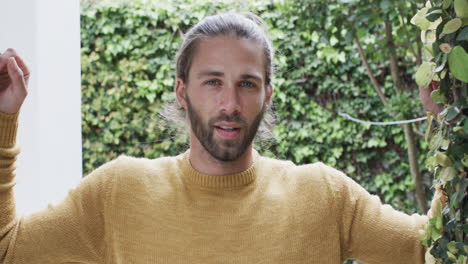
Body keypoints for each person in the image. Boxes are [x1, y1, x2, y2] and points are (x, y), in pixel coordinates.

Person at [0, 12, 442, 264]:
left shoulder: (323, 195)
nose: (230, 102)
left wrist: (449, 123)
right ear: (182, 91)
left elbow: (431, 250)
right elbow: (10, 249)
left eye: (247, 84)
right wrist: (3, 119)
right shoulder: (119, 191)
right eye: (213, 82)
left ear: (267, 95)